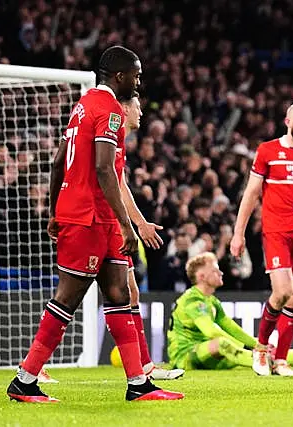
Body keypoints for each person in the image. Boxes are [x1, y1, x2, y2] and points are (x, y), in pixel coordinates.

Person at [6, 46, 183, 403]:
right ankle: (25, 380)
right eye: (135, 74)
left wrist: (55, 210)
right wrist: (126, 223)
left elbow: (58, 163)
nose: (139, 81)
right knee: (68, 298)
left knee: (119, 293)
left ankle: (138, 383)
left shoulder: (82, 106)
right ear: (119, 76)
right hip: (88, 218)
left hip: (90, 216)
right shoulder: (109, 111)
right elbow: (104, 169)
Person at [230, 103, 293, 376]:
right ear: (288, 121)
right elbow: (251, 193)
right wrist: (238, 233)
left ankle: (282, 361)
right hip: (276, 230)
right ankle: (261, 349)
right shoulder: (267, 151)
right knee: (283, 291)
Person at [108, 95, 185, 380]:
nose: (142, 112)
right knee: (70, 296)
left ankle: (144, 367)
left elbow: (120, 185)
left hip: (113, 223)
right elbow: (112, 183)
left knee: (130, 292)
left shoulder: (119, 142)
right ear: (125, 109)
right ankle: (33, 367)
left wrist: (139, 223)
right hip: (99, 223)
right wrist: (135, 224)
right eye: (138, 107)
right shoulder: (109, 137)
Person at [167, 252, 293, 370]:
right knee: (223, 344)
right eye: (215, 271)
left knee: (268, 348)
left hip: (208, 353)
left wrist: (258, 344)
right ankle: (263, 364)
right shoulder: (192, 300)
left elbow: (230, 327)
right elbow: (211, 332)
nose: (221, 272)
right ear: (201, 276)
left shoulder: (212, 301)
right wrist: (246, 348)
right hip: (186, 356)